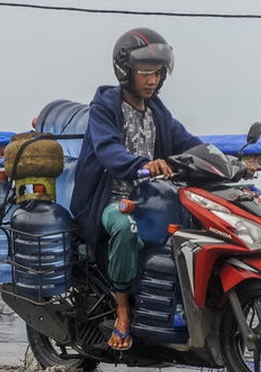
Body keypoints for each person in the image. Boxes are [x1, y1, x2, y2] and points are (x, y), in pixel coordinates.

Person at [71, 28, 203, 351]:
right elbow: (109, 151)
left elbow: (189, 143)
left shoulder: (158, 113)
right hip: (111, 202)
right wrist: (144, 164)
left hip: (152, 203)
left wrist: (225, 162)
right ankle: (123, 312)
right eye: (145, 72)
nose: (152, 80)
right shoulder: (104, 108)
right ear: (125, 71)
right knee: (127, 229)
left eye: (158, 73)